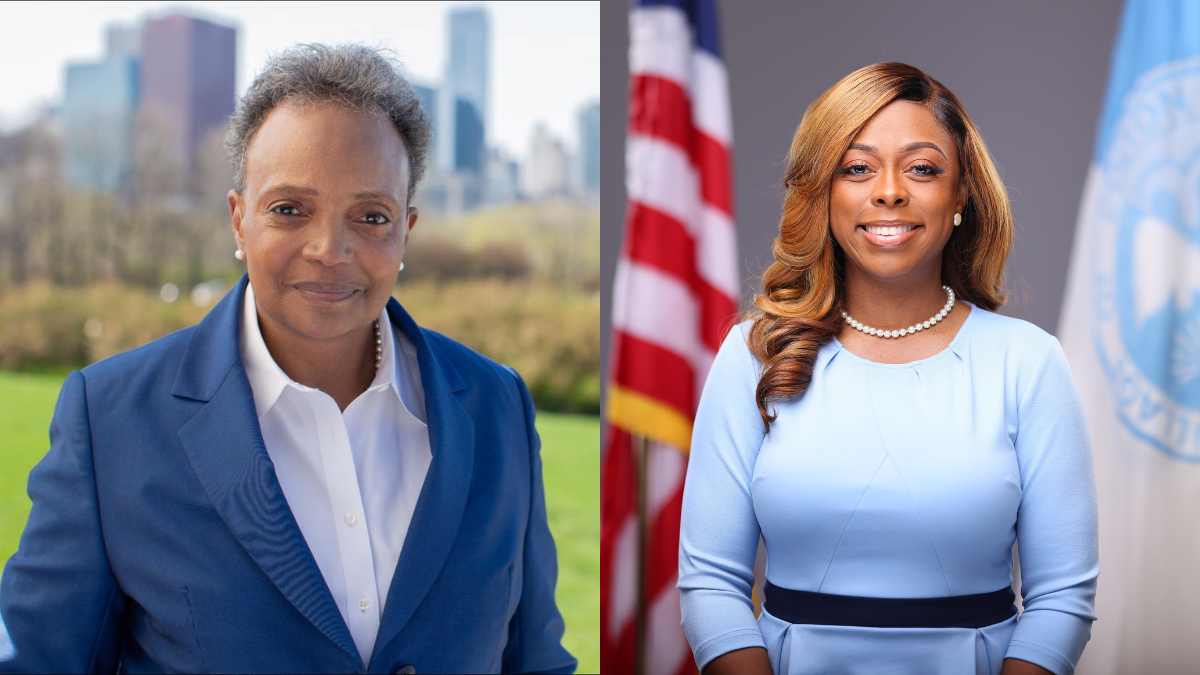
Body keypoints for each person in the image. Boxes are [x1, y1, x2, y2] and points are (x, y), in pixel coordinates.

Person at [0, 43, 576, 674]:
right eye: (289, 209)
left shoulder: (497, 408)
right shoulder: (111, 419)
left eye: (371, 215)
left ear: (406, 230)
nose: (330, 248)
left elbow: (535, 659)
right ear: (238, 220)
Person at [678, 62, 1098, 675]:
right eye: (857, 167)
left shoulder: (1028, 361)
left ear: (961, 195)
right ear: (823, 192)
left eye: (923, 168)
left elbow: (1062, 597)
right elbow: (711, 583)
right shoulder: (754, 355)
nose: (889, 191)